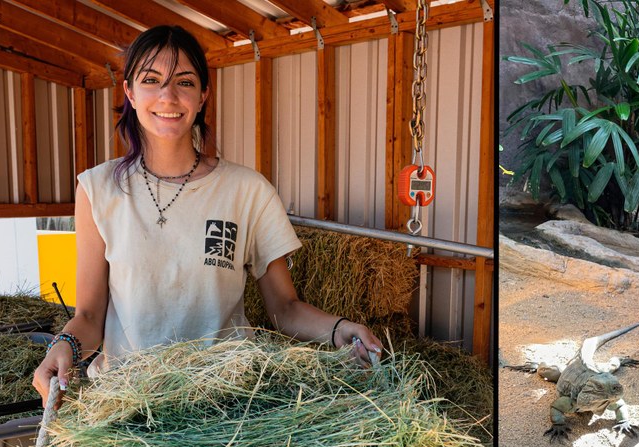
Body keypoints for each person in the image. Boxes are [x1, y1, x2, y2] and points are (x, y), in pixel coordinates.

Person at [33, 26, 383, 408]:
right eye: (151, 80)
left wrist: (339, 329)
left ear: (202, 96)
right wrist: (63, 346)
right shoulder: (98, 189)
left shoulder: (247, 191)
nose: (168, 96)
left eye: (184, 81)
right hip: (130, 406)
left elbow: (284, 309)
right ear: (130, 92)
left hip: (226, 405)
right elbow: (88, 315)